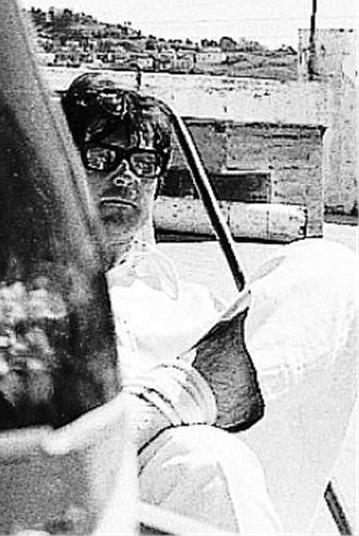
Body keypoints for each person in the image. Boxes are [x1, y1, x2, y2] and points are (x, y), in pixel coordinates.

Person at [61, 72, 357, 533]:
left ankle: (152, 409)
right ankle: (141, 419)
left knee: (332, 265)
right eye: (101, 157)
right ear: (58, 169)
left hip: (226, 473)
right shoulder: (23, 294)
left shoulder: (192, 304)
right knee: (208, 460)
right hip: (98, 497)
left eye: (144, 164)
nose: (126, 176)